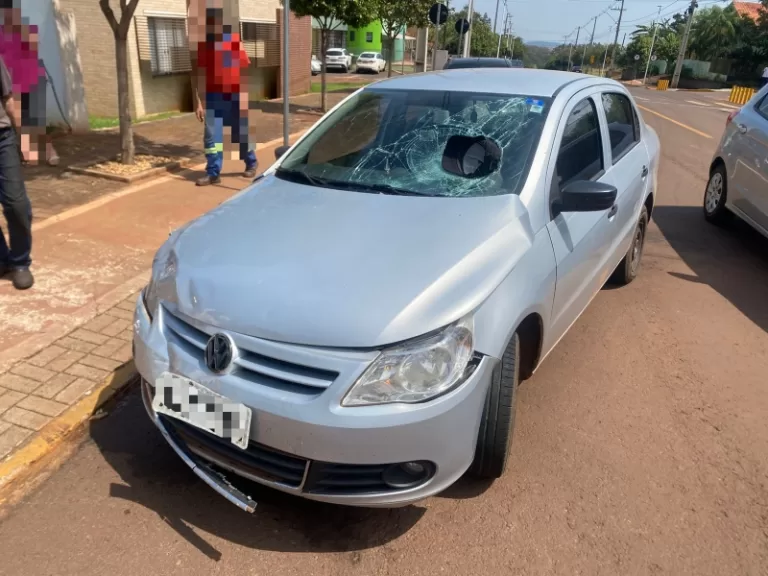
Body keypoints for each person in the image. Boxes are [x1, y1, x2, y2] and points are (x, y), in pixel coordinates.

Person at [193, 6, 256, 186]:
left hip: (234, 96)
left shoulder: (234, 42)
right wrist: (199, 103)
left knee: (239, 134)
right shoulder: (203, 48)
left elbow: (244, 71)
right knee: (212, 138)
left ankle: (251, 162)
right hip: (213, 98)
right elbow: (200, 76)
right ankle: (213, 173)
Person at [0, 2, 58, 166]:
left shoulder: (26, 30)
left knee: (37, 120)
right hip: (13, 83)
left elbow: (32, 51)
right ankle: (29, 154)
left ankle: (49, 152)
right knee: (21, 120)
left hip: (31, 79)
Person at [0, 53, 33, 290]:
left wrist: (26, 141)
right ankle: (2, 259)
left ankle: (21, 261)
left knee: (16, 204)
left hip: (2, 139)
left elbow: (9, 99)